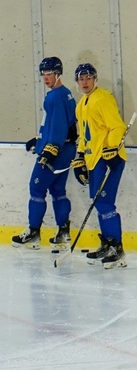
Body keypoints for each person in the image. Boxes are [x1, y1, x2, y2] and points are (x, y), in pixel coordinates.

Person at [12, 57, 77, 250]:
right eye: (43, 74)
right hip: (67, 150)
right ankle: (63, 234)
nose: (46, 78)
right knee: (58, 191)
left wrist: (50, 148)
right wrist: (39, 139)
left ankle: (33, 233)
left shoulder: (55, 97)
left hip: (56, 151)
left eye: (50, 74)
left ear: (58, 74)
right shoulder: (66, 94)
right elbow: (60, 125)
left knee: (36, 188)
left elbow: (58, 127)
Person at [73, 62, 128, 269]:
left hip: (109, 159)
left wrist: (111, 149)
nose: (85, 82)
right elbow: (84, 135)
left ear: (95, 79)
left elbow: (117, 126)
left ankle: (117, 248)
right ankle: (107, 243)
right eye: (81, 79)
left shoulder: (103, 98)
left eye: (88, 78)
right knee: (98, 202)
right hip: (93, 159)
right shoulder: (81, 104)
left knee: (105, 203)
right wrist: (80, 157)